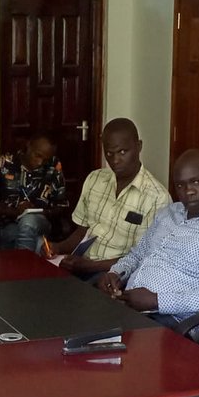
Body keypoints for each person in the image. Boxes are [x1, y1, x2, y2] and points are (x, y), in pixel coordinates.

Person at [98, 150, 199, 325]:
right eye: (180, 185)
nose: (189, 191)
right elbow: (137, 254)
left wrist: (158, 301)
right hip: (127, 306)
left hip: (171, 321)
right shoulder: (168, 213)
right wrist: (115, 273)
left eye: (196, 182)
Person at [50, 118, 171, 278]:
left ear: (139, 146)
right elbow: (82, 231)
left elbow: (144, 258)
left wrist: (91, 266)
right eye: (109, 153)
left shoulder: (157, 198)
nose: (115, 160)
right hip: (81, 264)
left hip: (114, 275)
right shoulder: (95, 179)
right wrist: (58, 248)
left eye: (122, 152)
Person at [0, 134, 67, 252]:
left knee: (28, 221)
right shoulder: (3, 164)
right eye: (38, 156)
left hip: (40, 223)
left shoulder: (54, 166)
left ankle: (22, 267)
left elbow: (61, 206)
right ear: (28, 146)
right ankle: (29, 264)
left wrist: (42, 211)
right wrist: (14, 211)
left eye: (45, 160)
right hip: (7, 225)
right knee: (39, 244)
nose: (40, 162)